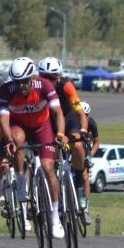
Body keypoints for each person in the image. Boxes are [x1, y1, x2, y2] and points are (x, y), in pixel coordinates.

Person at [0, 57, 67, 239]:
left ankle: (54, 217)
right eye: (17, 82)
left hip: (42, 126)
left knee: (48, 167)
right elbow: (3, 120)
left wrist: (60, 133)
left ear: (32, 78)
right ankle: (21, 180)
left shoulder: (44, 86)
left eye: (24, 82)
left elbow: (57, 112)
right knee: (16, 140)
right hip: (18, 125)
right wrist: (9, 140)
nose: (21, 86)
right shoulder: (5, 90)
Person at [37, 57, 91, 224]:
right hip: (48, 122)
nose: (50, 81)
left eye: (53, 77)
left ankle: (80, 182)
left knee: (78, 146)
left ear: (59, 77)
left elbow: (80, 113)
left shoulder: (66, 86)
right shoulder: (36, 88)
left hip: (68, 119)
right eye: (45, 77)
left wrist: (82, 131)